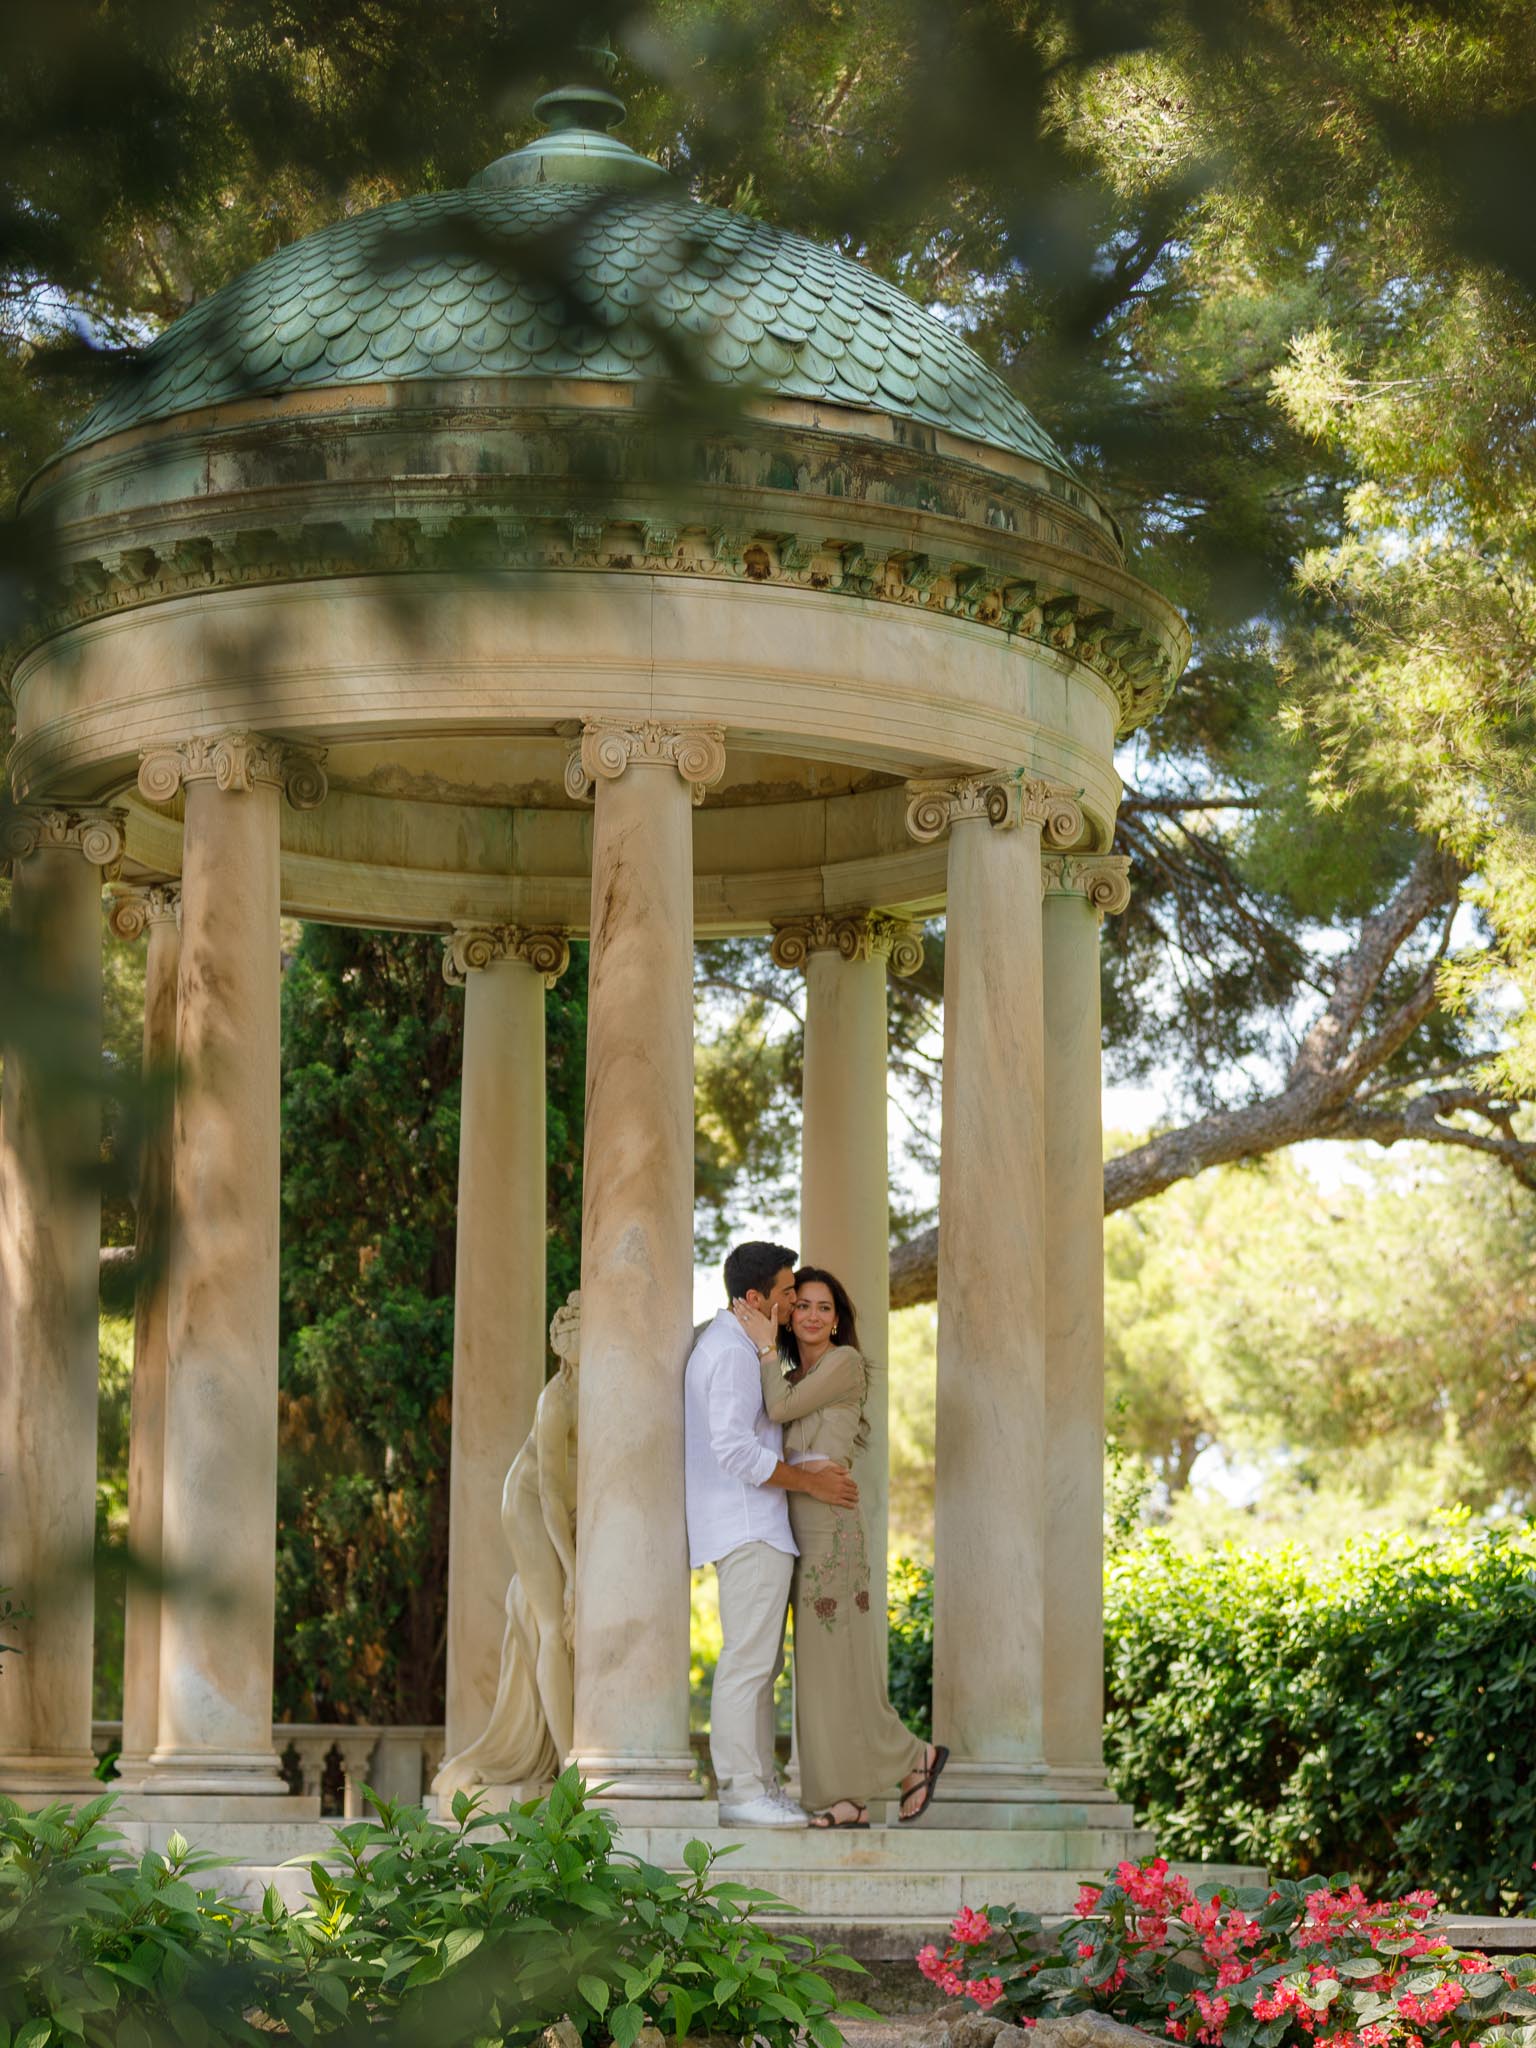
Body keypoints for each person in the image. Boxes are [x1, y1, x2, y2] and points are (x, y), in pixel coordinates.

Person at [736, 1266, 947, 1828]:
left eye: (823, 1307)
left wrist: (761, 1346)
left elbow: (780, 1411)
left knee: (839, 1659)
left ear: (837, 1319)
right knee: (818, 1666)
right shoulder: (791, 1372)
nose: (811, 1315)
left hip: (830, 1519)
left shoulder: (843, 1363)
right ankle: (846, 1799)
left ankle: (913, 1757)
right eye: (801, 1305)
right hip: (798, 1514)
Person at [684, 1240, 862, 1827]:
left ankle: (757, 1784)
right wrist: (809, 1485)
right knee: (747, 1663)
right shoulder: (733, 1353)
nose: (794, 1304)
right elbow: (735, 1450)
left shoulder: (734, 1345)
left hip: (757, 1528)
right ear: (757, 1298)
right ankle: (739, 1791)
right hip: (749, 1527)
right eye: (789, 1293)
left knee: (761, 1666)